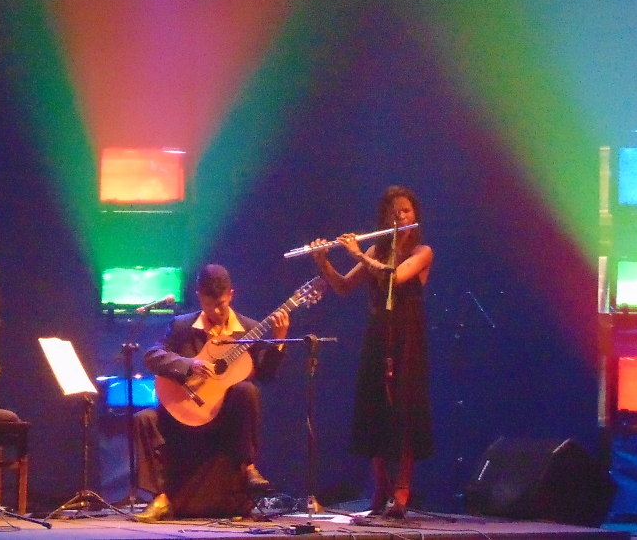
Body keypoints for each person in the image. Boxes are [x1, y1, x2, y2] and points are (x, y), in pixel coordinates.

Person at [309, 185, 433, 518]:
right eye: (394, 212)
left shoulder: (422, 251)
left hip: (407, 336)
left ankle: (403, 488)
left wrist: (358, 254)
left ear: (414, 215)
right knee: (373, 407)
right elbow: (343, 286)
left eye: (405, 211)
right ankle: (381, 486)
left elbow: (395, 278)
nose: (400, 216)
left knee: (405, 407)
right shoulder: (377, 250)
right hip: (378, 334)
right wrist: (323, 260)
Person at [133, 264, 289, 522]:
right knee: (144, 418)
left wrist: (279, 340)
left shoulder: (248, 330)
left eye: (221, 304)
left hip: (224, 420)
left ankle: (248, 466)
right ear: (199, 297)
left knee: (246, 390)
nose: (216, 311)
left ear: (231, 295)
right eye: (209, 305)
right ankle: (160, 499)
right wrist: (189, 364)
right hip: (186, 411)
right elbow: (153, 355)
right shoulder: (182, 326)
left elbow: (266, 375)